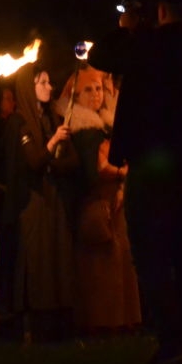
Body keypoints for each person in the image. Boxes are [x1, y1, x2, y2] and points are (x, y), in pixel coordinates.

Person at [89, 0, 182, 364]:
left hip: (153, 164)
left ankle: (171, 337)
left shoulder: (150, 45)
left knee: (151, 252)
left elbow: (100, 55)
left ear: (162, 12)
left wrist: (129, 27)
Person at [61, 66, 140, 333]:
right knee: (102, 263)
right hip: (96, 200)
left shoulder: (103, 123)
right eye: (88, 89)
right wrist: (123, 172)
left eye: (98, 88)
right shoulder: (85, 129)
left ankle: (121, 318)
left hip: (112, 197)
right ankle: (103, 320)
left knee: (119, 259)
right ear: (76, 95)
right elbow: (97, 168)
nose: (95, 94)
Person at [1, 66, 77, 342]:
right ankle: (30, 325)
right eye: (42, 82)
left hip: (52, 198)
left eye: (49, 81)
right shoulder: (18, 122)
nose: (49, 87)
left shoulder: (52, 118)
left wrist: (52, 163)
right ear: (28, 87)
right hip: (30, 200)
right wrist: (53, 142)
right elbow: (32, 161)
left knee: (56, 258)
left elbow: (73, 161)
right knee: (34, 259)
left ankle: (57, 324)